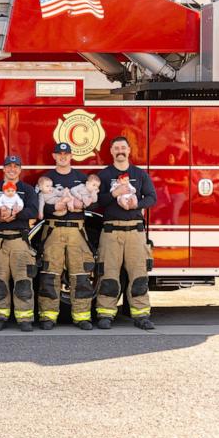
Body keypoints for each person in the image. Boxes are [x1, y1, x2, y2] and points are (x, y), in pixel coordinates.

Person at [95, 136, 157, 330]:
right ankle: (105, 314)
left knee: (138, 276)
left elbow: (152, 198)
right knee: (108, 275)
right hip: (111, 232)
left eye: (123, 147)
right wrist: (113, 194)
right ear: (111, 152)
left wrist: (137, 203)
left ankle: (141, 315)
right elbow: (96, 201)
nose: (120, 151)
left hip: (135, 232)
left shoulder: (139, 174)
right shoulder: (104, 175)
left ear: (129, 150)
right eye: (116, 148)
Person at [37, 142, 95, 330]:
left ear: (71, 156)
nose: (63, 157)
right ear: (54, 156)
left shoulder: (81, 178)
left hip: (76, 231)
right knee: (49, 274)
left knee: (80, 275)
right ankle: (47, 316)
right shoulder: (46, 179)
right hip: (53, 230)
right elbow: (35, 204)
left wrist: (83, 204)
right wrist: (54, 207)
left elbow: (95, 202)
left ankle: (82, 317)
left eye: (66, 154)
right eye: (59, 154)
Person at [0, 156, 40, 332]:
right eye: (9, 166)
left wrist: (15, 214)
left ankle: (25, 318)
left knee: (23, 280)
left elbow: (33, 210)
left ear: (20, 170)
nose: (12, 169)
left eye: (16, 166)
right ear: (3, 169)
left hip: (19, 240)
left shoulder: (27, 190)